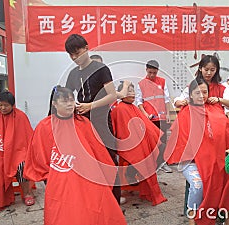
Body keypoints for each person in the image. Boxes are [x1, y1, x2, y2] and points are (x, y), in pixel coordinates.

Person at [24, 86, 126, 225]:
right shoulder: (45, 126)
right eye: (64, 101)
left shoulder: (83, 123)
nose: (69, 104)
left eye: (72, 100)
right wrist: (51, 176)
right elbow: (39, 156)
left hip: (86, 173)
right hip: (59, 174)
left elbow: (98, 151)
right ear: (54, 103)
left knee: (93, 209)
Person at [165, 77, 229, 225]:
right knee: (198, 184)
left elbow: (227, 133)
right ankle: (193, 216)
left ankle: (225, 214)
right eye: (197, 93)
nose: (201, 96)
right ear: (190, 95)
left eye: (204, 92)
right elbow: (182, 144)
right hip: (191, 161)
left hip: (214, 157)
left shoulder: (216, 109)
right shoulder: (186, 113)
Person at [64, 34, 121, 203]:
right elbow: (67, 95)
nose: (74, 57)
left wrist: (90, 105)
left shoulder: (101, 69)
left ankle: (114, 202)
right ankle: (94, 201)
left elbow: (111, 96)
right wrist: (72, 105)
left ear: (87, 48)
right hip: (82, 122)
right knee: (86, 162)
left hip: (102, 120)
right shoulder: (73, 74)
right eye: (71, 54)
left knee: (109, 161)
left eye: (77, 52)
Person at [111, 82, 167, 206]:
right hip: (130, 146)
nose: (132, 93)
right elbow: (118, 131)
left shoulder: (134, 107)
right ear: (121, 94)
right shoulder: (119, 109)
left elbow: (145, 124)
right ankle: (132, 172)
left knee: (162, 149)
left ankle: (133, 173)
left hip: (142, 142)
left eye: (133, 91)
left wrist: (151, 138)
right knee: (144, 157)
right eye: (129, 91)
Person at [0, 91, 35, 214]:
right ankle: (1, 197)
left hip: (18, 152)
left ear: (12, 105)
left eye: (6, 105)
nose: (3, 108)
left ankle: (27, 193)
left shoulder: (20, 116)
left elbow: (27, 138)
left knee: (22, 165)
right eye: (0, 105)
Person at [135, 60, 173, 173]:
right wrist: (145, 114)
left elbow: (167, 99)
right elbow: (139, 101)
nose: (152, 75)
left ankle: (163, 163)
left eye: (154, 73)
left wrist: (168, 114)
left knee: (163, 141)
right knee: (152, 143)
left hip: (161, 118)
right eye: (150, 72)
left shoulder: (162, 82)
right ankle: (152, 165)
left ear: (157, 71)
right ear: (146, 70)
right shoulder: (141, 84)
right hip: (149, 118)